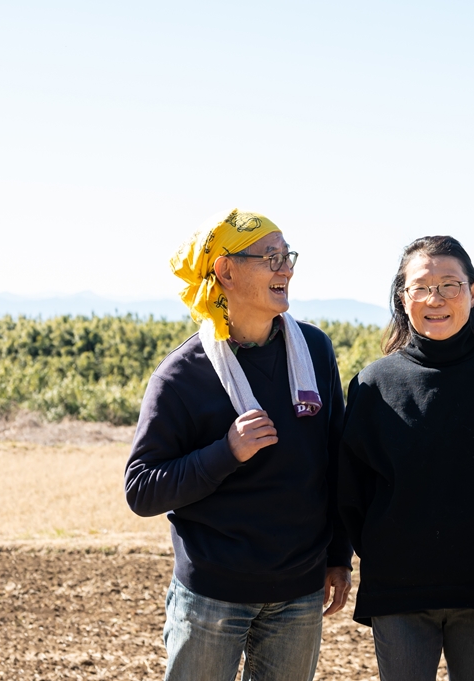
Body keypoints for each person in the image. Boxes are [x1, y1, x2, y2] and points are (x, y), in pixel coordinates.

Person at [124, 209, 352, 681]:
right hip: (211, 595)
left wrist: (337, 557)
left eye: (287, 256)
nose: (285, 268)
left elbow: (336, 460)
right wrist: (225, 451)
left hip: (299, 592)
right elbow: (142, 490)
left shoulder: (315, 350)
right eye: (270, 257)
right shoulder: (182, 375)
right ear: (225, 270)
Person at [338, 236, 474, 681]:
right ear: (402, 298)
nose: (435, 299)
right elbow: (352, 489)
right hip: (399, 590)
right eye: (421, 287)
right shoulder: (374, 384)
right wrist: (386, 552)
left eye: (449, 285)